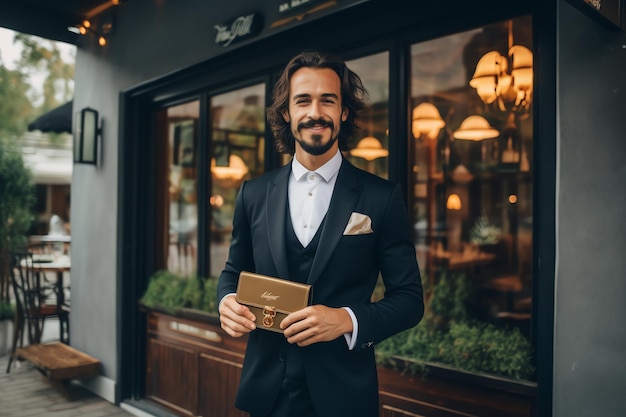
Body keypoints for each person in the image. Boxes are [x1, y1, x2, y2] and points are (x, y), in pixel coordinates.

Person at [217, 50, 424, 417]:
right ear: (287, 113)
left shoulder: (382, 197)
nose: (316, 112)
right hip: (267, 394)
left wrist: (346, 320)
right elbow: (234, 270)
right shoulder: (253, 193)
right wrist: (227, 301)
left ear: (344, 111)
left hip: (344, 396)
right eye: (303, 101)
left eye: (328, 100)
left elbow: (409, 299)